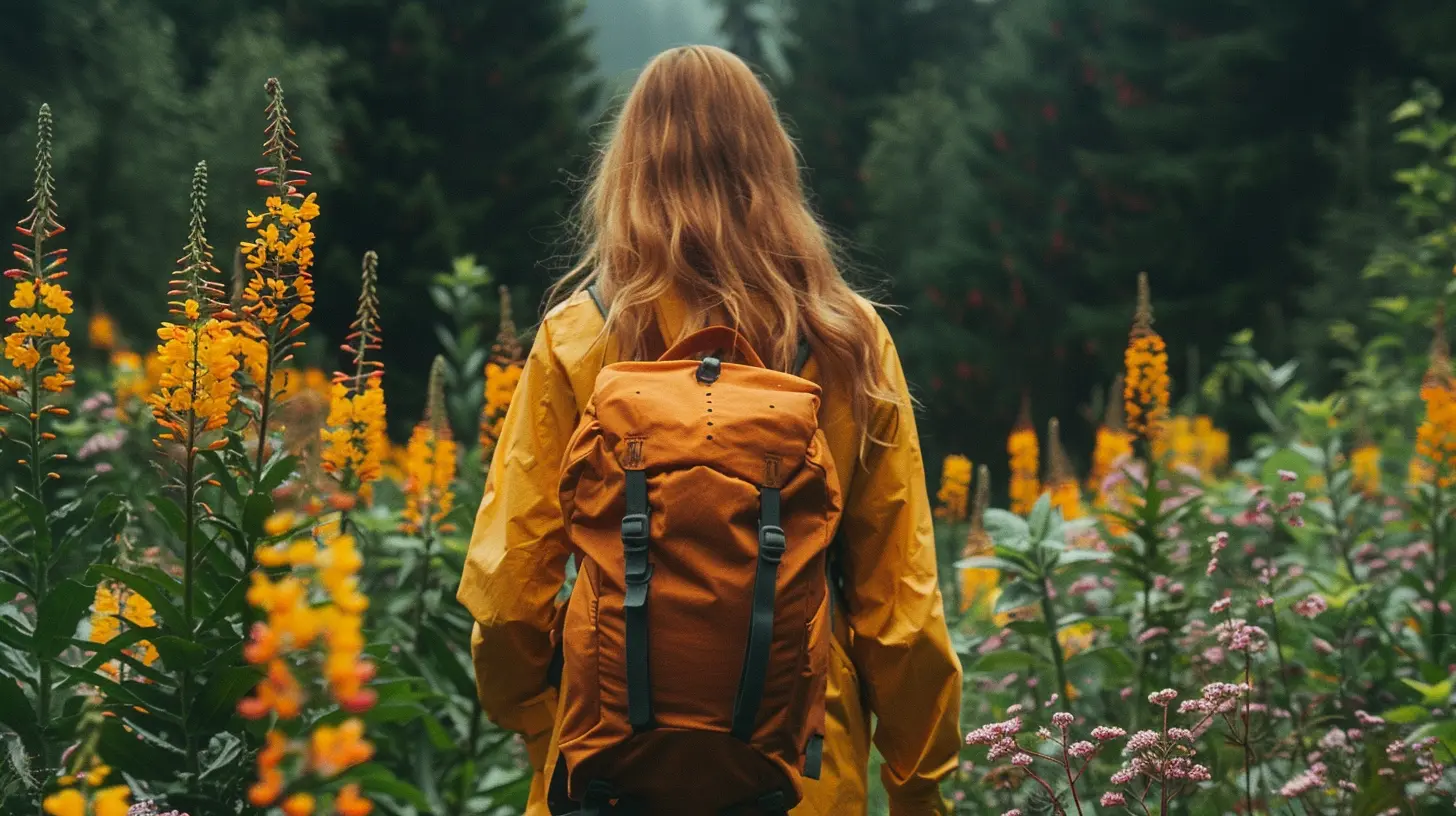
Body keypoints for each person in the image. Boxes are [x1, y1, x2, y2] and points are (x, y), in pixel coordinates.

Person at [457, 44, 962, 815]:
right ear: (772, 165)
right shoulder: (847, 340)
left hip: (606, 776)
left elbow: (506, 602)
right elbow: (902, 612)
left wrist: (545, 726)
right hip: (796, 774)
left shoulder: (578, 336)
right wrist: (918, 790)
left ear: (627, 171)